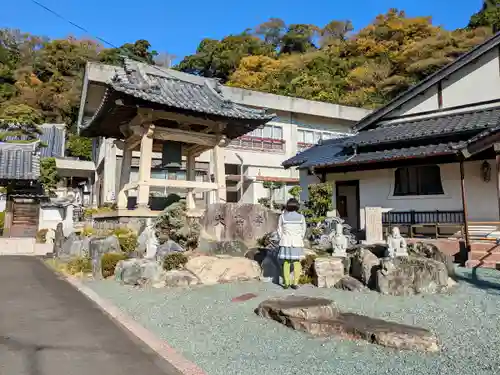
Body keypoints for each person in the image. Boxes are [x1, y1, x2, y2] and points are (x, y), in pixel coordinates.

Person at [277, 198, 307, 289]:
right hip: (297, 242)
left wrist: (283, 237)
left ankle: (286, 283)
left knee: (286, 262)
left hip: (286, 241)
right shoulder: (301, 217)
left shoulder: (282, 216)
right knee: (296, 262)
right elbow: (303, 230)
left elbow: (279, 229)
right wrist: (299, 237)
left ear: (288, 206)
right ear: (297, 206)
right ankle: (295, 283)